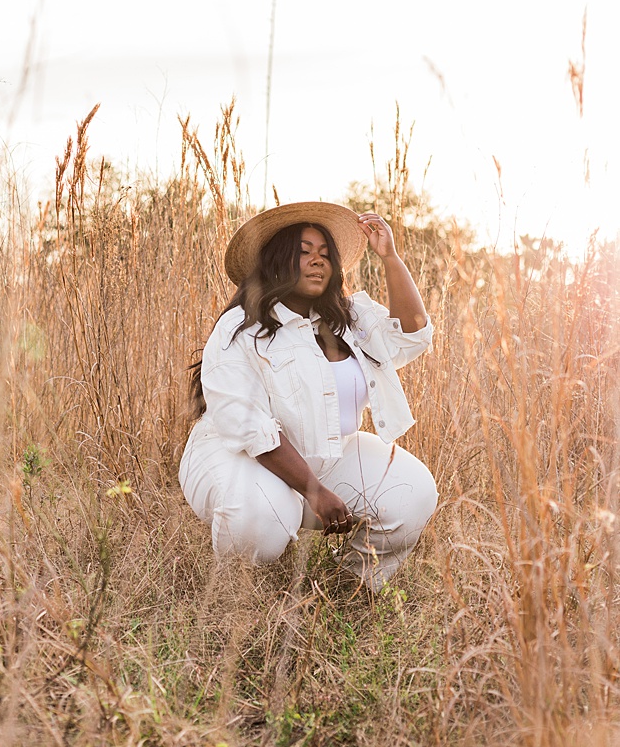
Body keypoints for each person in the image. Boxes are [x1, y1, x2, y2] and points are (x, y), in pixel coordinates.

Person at [178, 202, 437, 592]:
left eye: (325, 253)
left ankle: (348, 587)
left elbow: (412, 335)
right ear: (278, 261)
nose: (317, 261)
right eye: (304, 252)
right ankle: (233, 599)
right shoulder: (240, 328)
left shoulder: (346, 319)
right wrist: (314, 491)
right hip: (239, 455)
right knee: (262, 518)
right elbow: (248, 426)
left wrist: (391, 258)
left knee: (412, 494)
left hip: (327, 453)